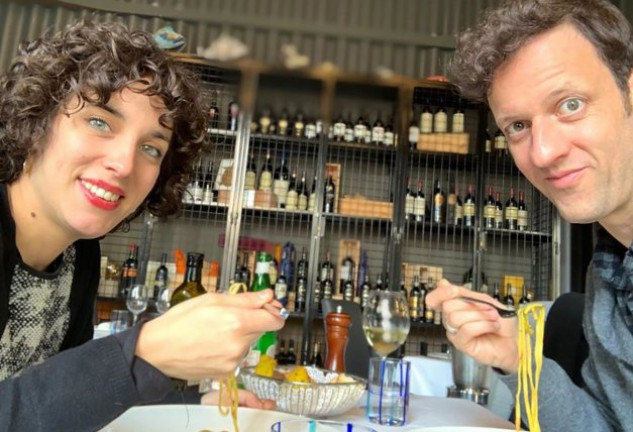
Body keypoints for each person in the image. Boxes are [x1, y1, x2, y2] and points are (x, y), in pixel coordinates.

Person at [0, 19, 285, 431]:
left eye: (151, 147)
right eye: (99, 122)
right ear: (36, 119)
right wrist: (141, 353)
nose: (125, 163)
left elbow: (58, 399)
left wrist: (196, 399)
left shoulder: (78, 255)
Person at [426, 0, 633, 430]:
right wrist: (517, 357)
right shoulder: (611, 269)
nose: (543, 152)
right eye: (518, 126)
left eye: (570, 105)